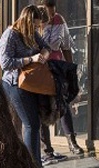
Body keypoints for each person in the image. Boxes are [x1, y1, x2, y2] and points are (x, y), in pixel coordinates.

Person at [0, 5, 58, 168]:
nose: (36, 29)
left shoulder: (31, 33)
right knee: (31, 124)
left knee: (34, 123)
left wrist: (45, 54)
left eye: (38, 26)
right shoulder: (10, 34)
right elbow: (5, 63)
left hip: (32, 83)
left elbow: (46, 46)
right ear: (26, 20)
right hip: (15, 84)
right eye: (34, 25)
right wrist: (30, 59)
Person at [39, 1, 84, 157]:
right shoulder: (34, 22)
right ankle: (47, 149)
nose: (50, 15)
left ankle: (72, 142)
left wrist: (70, 70)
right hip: (39, 68)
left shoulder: (59, 20)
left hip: (57, 66)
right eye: (47, 11)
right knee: (43, 106)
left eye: (52, 10)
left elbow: (66, 46)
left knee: (62, 104)